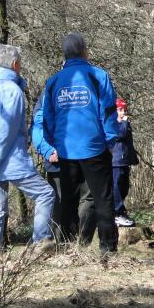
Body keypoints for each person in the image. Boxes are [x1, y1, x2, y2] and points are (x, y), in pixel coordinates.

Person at [0, 44, 56, 256]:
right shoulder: (13, 91)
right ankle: (40, 244)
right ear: (15, 64)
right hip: (10, 161)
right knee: (45, 194)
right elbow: (6, 130)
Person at [42, 33, 121, 254]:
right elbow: (108, 112)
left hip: (66, 149)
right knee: (103, 199)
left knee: (68, 200)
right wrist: (110, 140)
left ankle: (69, 247)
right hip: (95, 147)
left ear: (64, 54)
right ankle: (107, 248)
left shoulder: (54, 81)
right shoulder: (98, 76)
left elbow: (47, 117)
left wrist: (53, 142)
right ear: (85, 51)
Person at [31, 93, 97, 244]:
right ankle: (64, 243)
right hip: (61, 157)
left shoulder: (86, 88)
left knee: (88, 197)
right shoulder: (50, 93)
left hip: (85, 154)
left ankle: (79, 243)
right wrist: (48, 150)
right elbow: (39, 124)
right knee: (61, 202)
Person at [111, 98, 138, 227]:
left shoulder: (124, 124)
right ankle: (117, 213)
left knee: (124, 187)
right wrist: (124, 123)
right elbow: (120, 135)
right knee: (116, 187)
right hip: (115, 161)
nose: (123, 113)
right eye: (120, 110)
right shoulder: (113, 123)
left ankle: (120, 212)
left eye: (124, 110)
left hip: (124, 161)